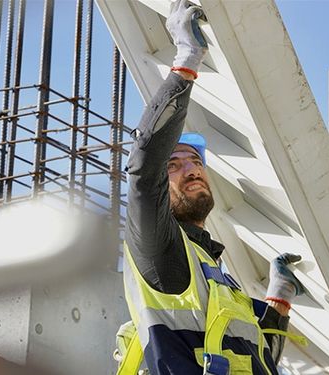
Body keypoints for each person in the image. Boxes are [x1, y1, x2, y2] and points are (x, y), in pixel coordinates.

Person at [119, 1, 305, 374]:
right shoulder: (162, 253)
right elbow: (143, 171)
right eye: (174, 165)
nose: (191, 170)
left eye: (196, 162)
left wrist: (279, 297)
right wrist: (187, 60)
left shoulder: (218, 279)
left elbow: (259, 356)